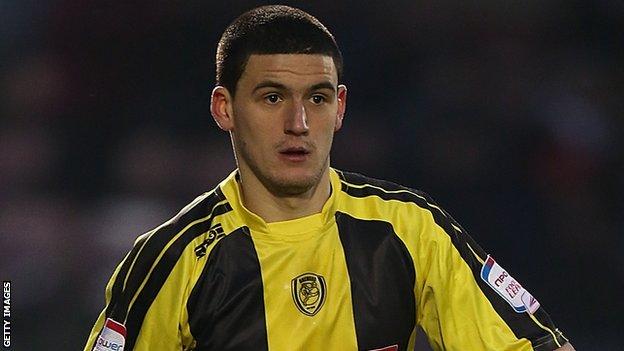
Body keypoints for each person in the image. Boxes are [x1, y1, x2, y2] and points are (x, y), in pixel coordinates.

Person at [84, 5, 574, 351]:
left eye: (316, 99)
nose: (298, 123)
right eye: (272, 97)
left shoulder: (409, 227)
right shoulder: (172, 259)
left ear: (339, 108)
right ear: (224, 108)